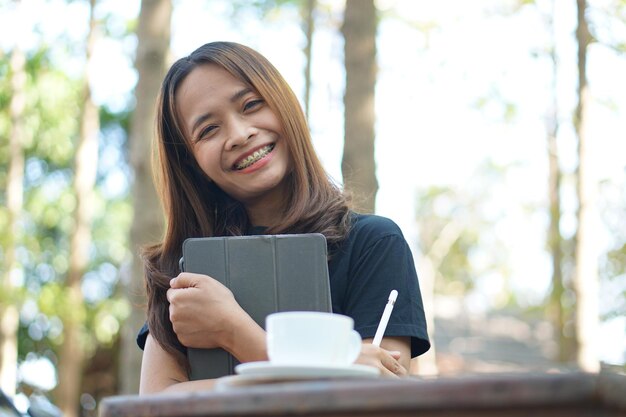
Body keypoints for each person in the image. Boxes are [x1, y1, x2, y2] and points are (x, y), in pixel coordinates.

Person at [137, 41, 430, 394]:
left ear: (284, 104)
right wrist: (334, 372)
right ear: (191, 164)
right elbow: (155, 405)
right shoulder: (184, 271)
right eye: (208, 130)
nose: (239, 134)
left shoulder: (373, 244)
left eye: (251, 105)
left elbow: (381, 397)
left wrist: (232, 330)